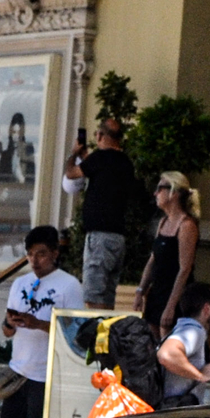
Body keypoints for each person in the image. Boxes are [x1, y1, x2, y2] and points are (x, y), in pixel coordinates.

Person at [1, 225, 84, 418]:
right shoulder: (20, 283)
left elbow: (76, 334)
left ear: (55, 253)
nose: (34, 261)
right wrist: (9, 324)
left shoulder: (69, 285)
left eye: (41, 254)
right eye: (30, 255)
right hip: (18, 372)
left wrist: (38, 324)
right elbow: (7, 331)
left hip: (46, 376)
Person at [64, 117, 139, 306]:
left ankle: (96, 333)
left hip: (99, 237)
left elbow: (71, 173)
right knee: (107, 296)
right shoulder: (125, 163)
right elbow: (100, 167)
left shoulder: (99, 158)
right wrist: (87, 156)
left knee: (93, 296)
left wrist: (74, 154)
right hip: (117, 238)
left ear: (100, 135)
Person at [140, 174, 200, 331]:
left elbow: (184, 269)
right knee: (152, 342)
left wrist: (171, 306)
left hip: (174, 294)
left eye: (160, 189)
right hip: (157, 291)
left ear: (174, 192)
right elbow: (153, 259)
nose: (156, 193)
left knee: (167, 341)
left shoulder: (186, 226)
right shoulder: (163, 222)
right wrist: (141, 290)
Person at [158, 281, 210, 408]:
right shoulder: (193, 331)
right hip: (175, 414)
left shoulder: (181, 328)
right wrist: (201, 376)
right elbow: (166, 354)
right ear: (207, 309)